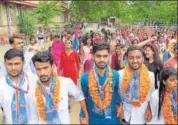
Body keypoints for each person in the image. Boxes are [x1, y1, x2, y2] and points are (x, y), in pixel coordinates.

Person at [30, 51, 88, 124]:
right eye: (38, 69)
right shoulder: (32, 88)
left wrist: (85, 115)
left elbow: (79, 96)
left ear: (53, 66)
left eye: (45, 68)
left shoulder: (65, 82)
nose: (42, 73)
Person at [79, 42, 122, 124]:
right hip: (93, 120)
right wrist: (83, 115)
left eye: (105, 56)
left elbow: (117, 93)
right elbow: (83, 98)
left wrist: (120, 105)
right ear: (93, 56)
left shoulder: (116, 75)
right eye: (98, 56)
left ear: (109, 56)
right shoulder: (85, 78)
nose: (102, 59)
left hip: (112, 120)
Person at [118, 45, 155, 124]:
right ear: (127, 59)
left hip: (142, 116)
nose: (135, 61)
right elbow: (117, 95)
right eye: (131, 58)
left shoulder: (150, 75)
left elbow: (151, 95)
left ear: (143, 58)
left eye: (138, 57)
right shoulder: (119, 75)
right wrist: (118, 106)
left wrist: (149, 109)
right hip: (125, 116)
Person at [0, 49, 38, 124]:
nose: (13, 68)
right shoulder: (1, 85)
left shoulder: (34, 80)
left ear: (23, 63)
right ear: (4, 64)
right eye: (10, 64)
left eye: (17, 64)